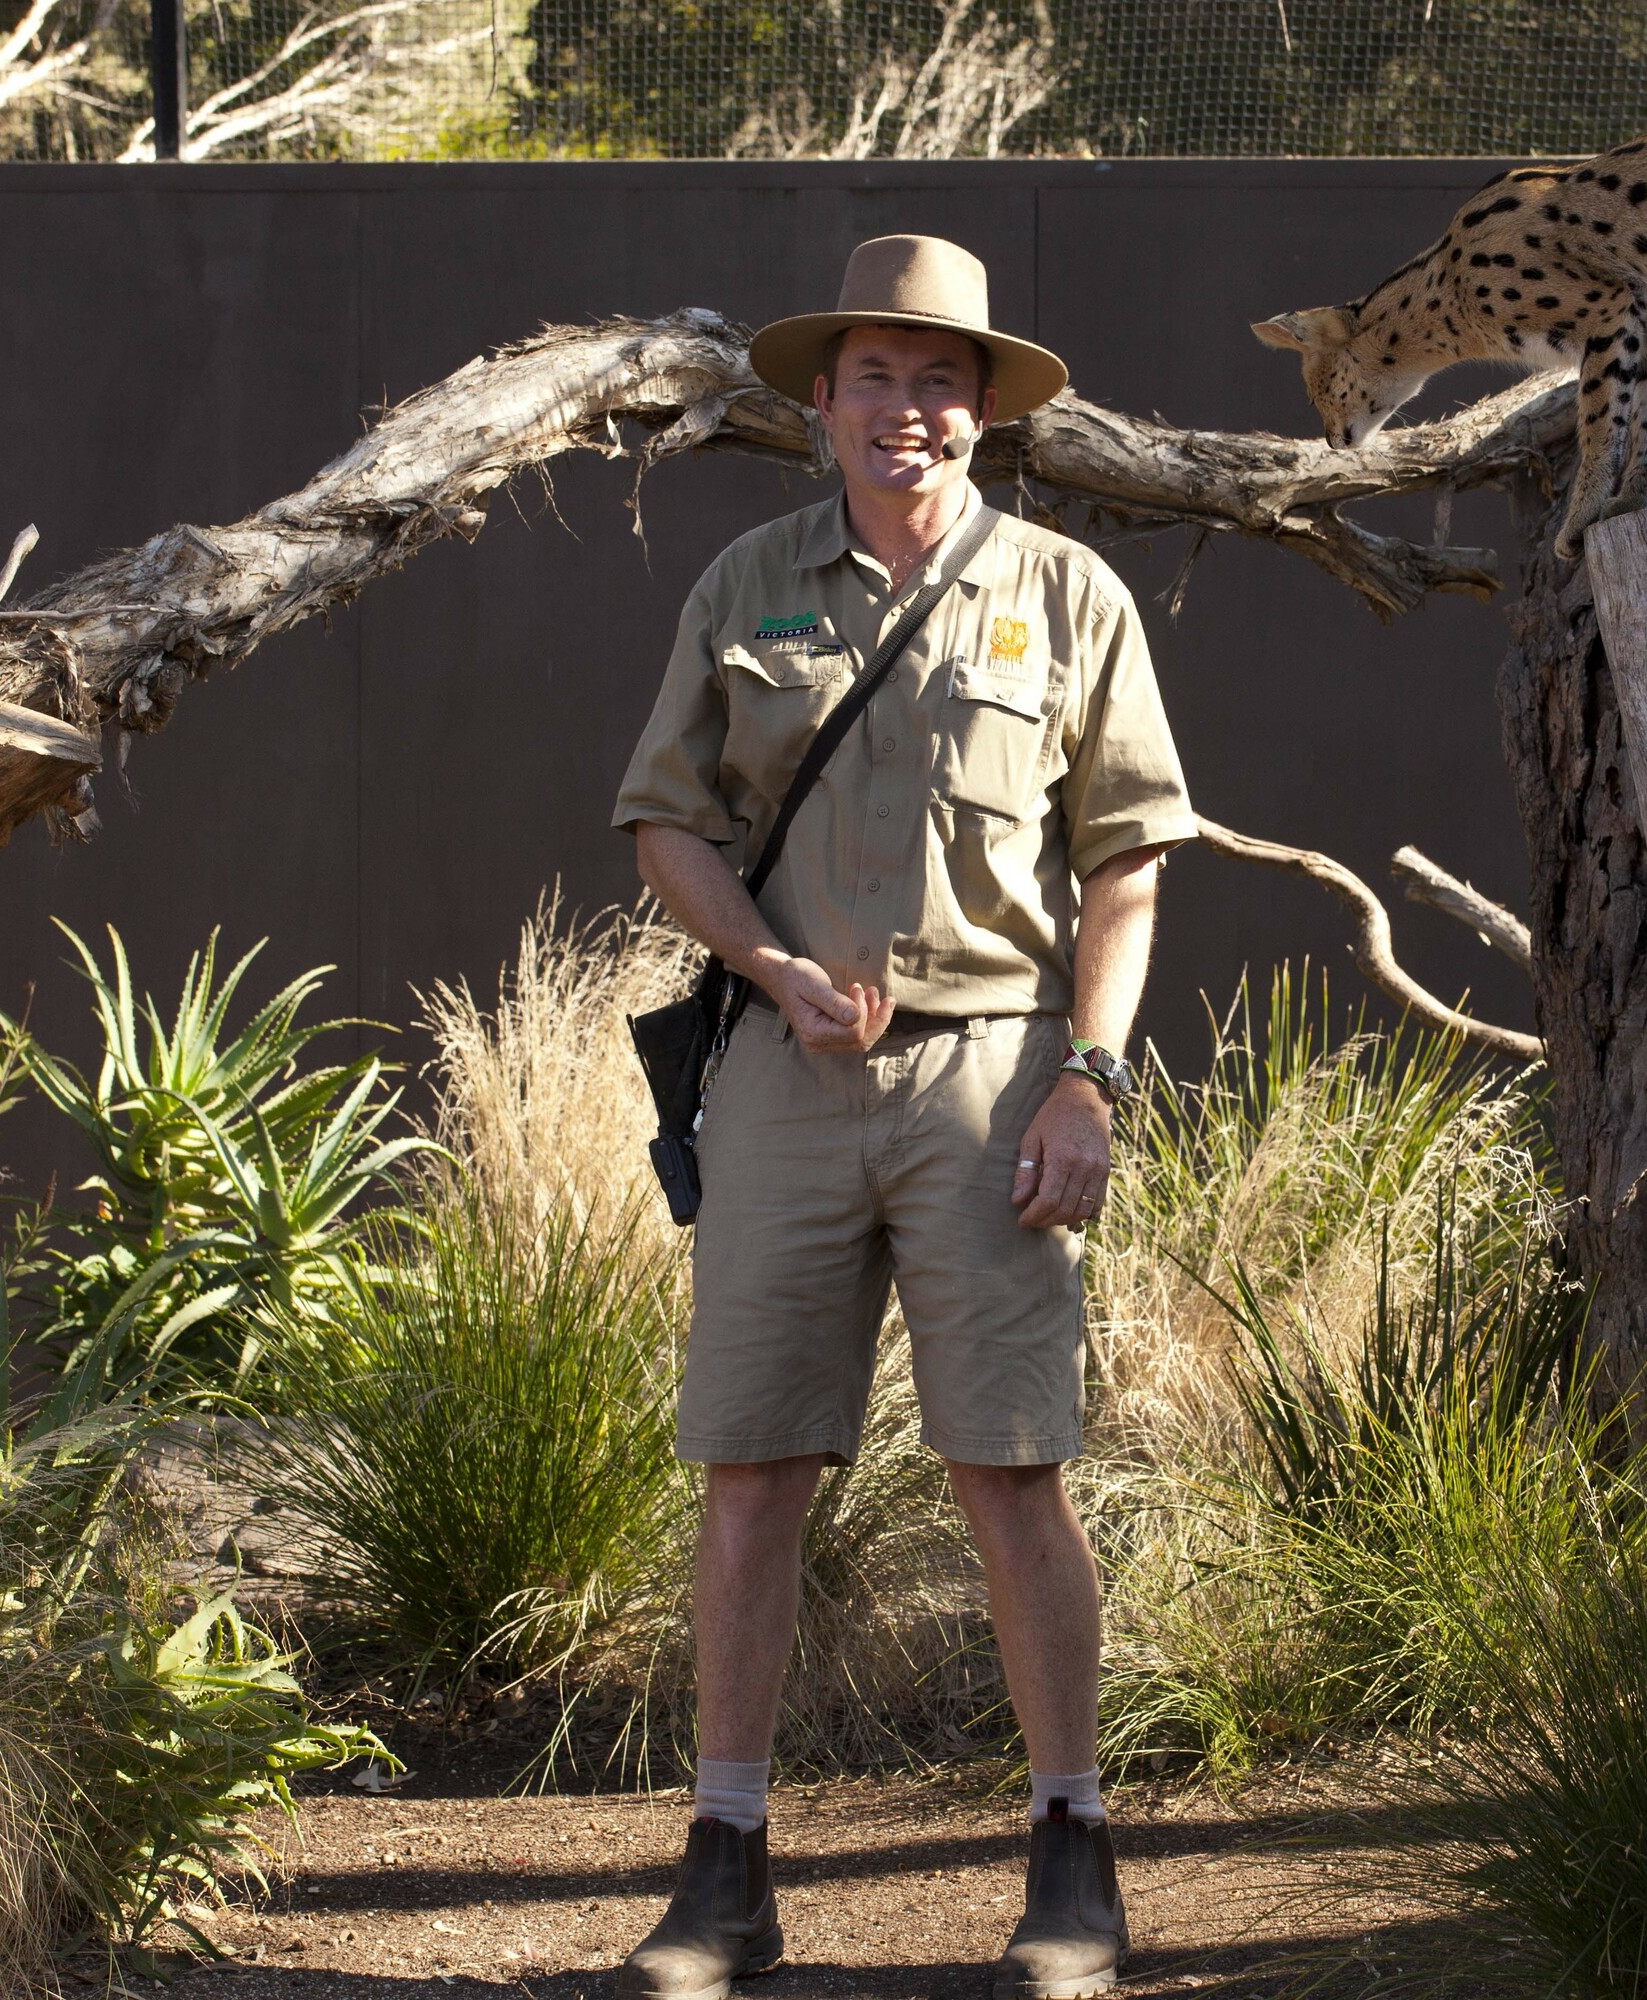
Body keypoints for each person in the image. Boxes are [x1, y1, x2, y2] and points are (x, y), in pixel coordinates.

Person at [610, 234, 1198, 2000]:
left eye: (944, 381)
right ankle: (723, 1874)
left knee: (1010, 1473)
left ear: (986, 414)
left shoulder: (1070, 597)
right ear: (822, 402)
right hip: (789, 1073)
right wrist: (770, 969)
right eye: (879, 375)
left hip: (995, 1074)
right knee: (750, 1473)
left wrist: (1089, 1078)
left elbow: (1127, 868)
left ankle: (1074, 1861)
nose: (912, 409)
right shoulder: (745, 583)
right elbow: (666, 822)